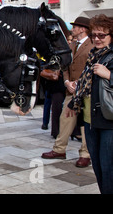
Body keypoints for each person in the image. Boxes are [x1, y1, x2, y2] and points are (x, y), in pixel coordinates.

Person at [67, 14, 113, 194]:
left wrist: (109, 75)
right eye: (94, 35)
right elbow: (90, 83)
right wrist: (75, 97)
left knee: (108, 167)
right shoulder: (94, 55)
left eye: (102, 35)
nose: (97, 39)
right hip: (91, 119)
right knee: (99, 168)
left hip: (109, 121)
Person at [42, 16, 93, 167]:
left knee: (86, 123)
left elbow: (91, 67)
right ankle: (59, 149)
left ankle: (85, 154)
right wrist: (67, 82)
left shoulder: (91, 45)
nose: (73, 29)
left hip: (87, 90)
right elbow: (65, 67)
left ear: (83, 29)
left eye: (75, 27)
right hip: (71, 90)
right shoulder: (71, 45)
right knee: (65, 118)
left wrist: (79, 83)